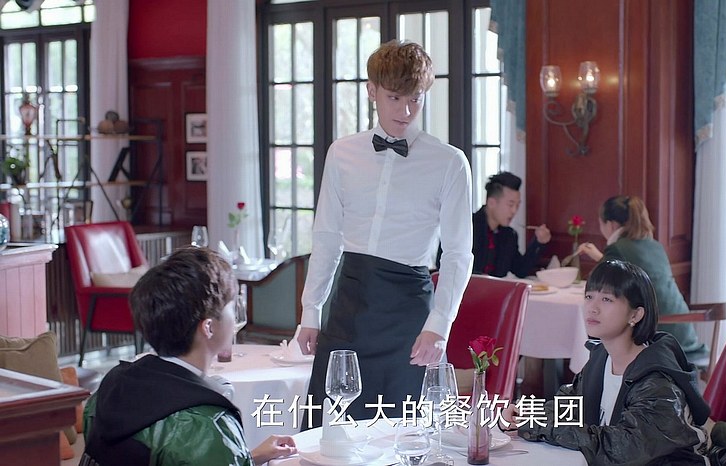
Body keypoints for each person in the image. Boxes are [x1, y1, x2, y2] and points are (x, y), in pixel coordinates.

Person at [297, 40, 473, 428]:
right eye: (394, 98)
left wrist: (439, 325)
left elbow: (459, 254)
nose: (405, 111)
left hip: (409, 314)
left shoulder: (449, 163)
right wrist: (311, 310)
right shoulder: (342, 153)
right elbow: (326, 235)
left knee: (406, 435)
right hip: (349, 306)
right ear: (372, 90)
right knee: (328, 434)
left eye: (415, 99)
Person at [80, 248, 297, 466]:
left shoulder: (108, 389)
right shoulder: (205, 425)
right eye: (231, 305)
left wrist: (249, 457)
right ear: (209, 327)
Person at [502, 260, 711, 465]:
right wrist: (527, 415)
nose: (592, 308)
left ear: (635, 314)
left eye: (607, 299)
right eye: (589, 297)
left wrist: (539, 425)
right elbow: (570, 405)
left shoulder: (656, 381)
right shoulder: (600, 358)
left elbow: (623, 448)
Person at [576, 195, 708, 363]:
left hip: (658, 337)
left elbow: (603, 283)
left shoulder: (617, 248)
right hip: (682, 333)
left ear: (611, 224)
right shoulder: (655, 246)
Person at [471, 171, 551, 278]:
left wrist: (538, 242)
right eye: (510, 204)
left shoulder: (509, 235)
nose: (514, 211)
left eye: (517, 205)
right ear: (491, 203)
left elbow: (520, 270)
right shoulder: (468, 228)